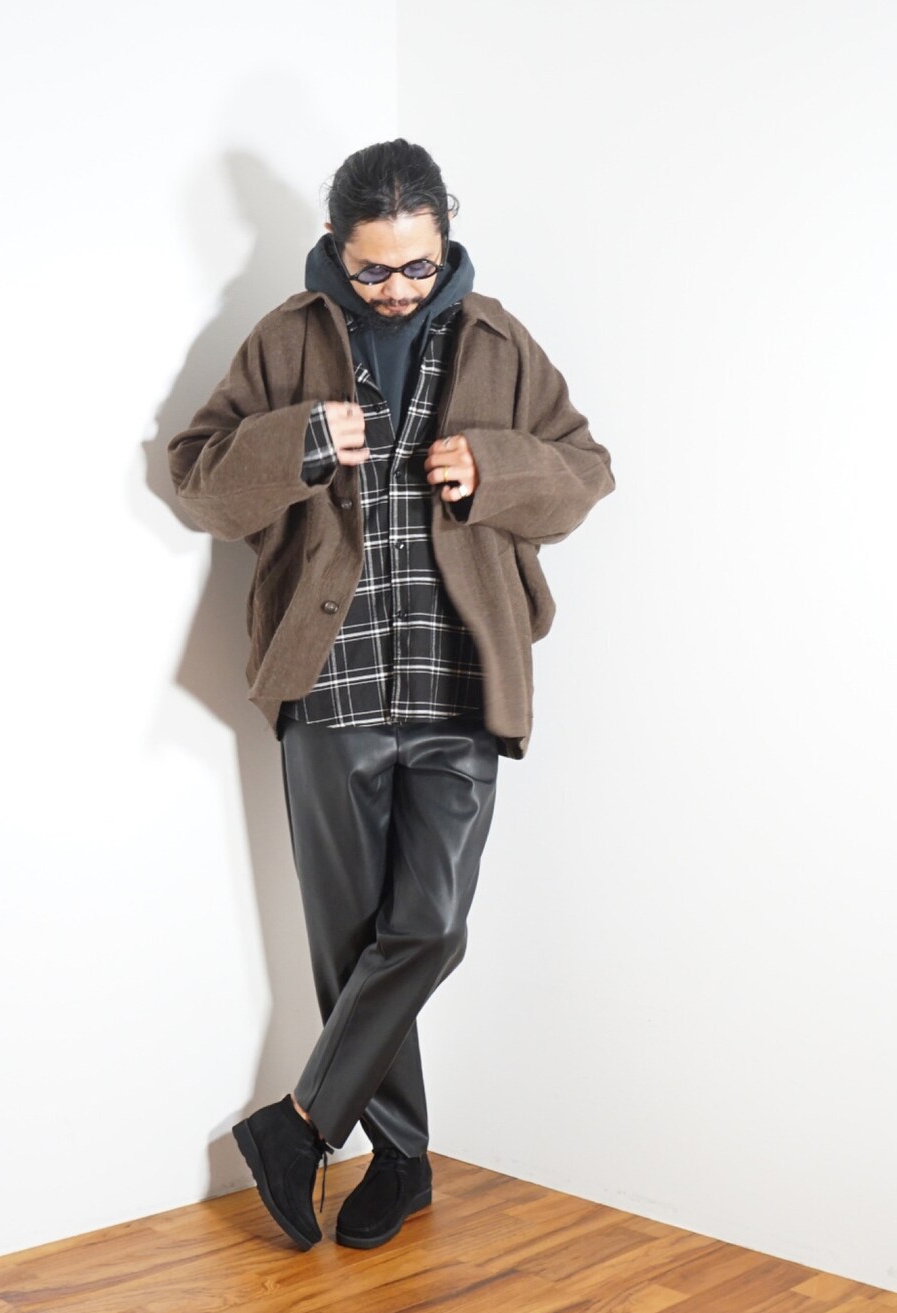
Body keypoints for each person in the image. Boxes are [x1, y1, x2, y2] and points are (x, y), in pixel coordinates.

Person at [167, 139, 615, 1251]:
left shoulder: (499, 340)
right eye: (374, 268)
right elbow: (199, 478)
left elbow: (585, 470)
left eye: (418, 264)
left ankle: (298, 1126)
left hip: (462, 680)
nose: (399, 288)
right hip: (331, 682)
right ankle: (403, 1160)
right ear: (336, 245)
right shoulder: (284, 339)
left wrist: (497, 468)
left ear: (445, 240)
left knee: (428, 927)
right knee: (350, 940)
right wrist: (301, 443)